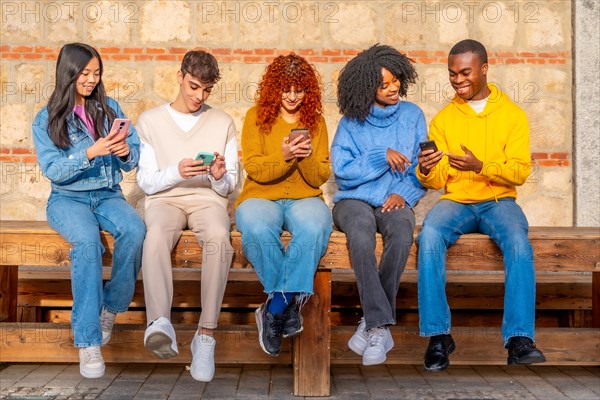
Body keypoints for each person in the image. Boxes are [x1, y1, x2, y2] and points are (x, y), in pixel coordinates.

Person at [416, 39, 546, 371]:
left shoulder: (513, 115)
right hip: (457, 201)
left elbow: (519, 172)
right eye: (452, 74)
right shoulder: (444, 119)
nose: (457, 80)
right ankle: (438, 336)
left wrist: (481, 167)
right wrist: (427, 167)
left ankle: (519, 339)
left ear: (484, 69)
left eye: (465, 73)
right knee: (429, 236)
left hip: (499, 202)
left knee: (518, 243)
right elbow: (435, 180)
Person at [32, 43, 145, 379]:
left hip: (107, 195)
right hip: (67, 199)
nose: (91, 80)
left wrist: (124, 150)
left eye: (96, 74)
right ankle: (88, 341)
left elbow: (132, 160)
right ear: (68, 72)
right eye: (85, 73)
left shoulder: (109, 108)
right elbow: (53, 170)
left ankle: (110, 308)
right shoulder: (47, 117)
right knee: (86, 243)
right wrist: (91, 152)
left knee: (136, 230)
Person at [136, 50, 239, 382]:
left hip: (208, 199)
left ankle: (205, 335)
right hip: (164, 199)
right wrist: (177, 171)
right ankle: (159, 322)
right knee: (153, 237)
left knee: (219, 239)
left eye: (206, 90)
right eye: (194, 86)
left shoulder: (222, 121)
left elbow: (230, 187)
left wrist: (219, 175)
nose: (199, 96)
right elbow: (146, 181)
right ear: (179, 77)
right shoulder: (150, 121)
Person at [330, 44, 427, 366]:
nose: (393, 88)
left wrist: (405, 194)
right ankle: (380, 323)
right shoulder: (351, 122)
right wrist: (379, 155)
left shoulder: (413, 116)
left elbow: (419, 167)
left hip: (395, 198)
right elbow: (342, 172)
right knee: (360, 233)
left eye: (395, 81)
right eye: (383, 85)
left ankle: (372, 323)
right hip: (353, 200)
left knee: (401, 233)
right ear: (366, 87)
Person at [235, 53, 332, 356]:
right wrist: (285, 155)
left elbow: (320, 176)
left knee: (316, 227)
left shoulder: (316, 122)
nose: (292, 97)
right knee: (255, 226)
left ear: (308, 91)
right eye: (285, 89)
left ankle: (275, 306)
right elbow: (256, 169)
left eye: (299, 90)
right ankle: (286, 306)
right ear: (274, 88)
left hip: (305, 196)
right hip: (261, 196)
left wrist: (304, 158)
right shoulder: (255, 117)